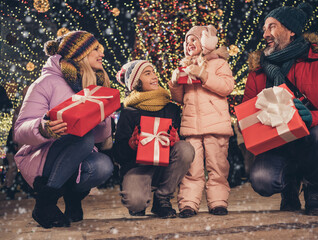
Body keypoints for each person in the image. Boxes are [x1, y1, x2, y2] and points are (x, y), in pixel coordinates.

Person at [243, 2, 318, 216]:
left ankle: (314, 190)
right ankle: (289, 186)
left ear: (291, 30)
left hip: (310, 140)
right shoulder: (257, 73)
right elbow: (248, 116)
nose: (265, 33)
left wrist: (313, 117)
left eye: (272, 26)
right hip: (277, 145)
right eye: (265, 28)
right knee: (262, 180)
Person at [14, 31, 114, 228]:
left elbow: (99, 137)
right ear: (81, 54)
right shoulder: (46, 83)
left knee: (103, 166)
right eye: (95, 49)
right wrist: (43, 128)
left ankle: (72, 197)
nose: (101, 53)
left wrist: (103, 118)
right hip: (43, 157)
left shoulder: (95, 84)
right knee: (82, 136)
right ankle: (45, 203)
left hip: (77, 153)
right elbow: (19, 130)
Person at [113, 60, 194, 218]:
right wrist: (131, 145)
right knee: (136, 205)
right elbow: (118, 155)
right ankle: (140, 195)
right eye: (147, 73)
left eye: (154, 72)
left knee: (185, 148)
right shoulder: (129, 112)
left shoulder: (171, 109)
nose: (155, 77)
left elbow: (179, 151)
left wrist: (176, 139)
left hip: (164, 167)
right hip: (138, 167)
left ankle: (162, 198)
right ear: (136, 82)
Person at [169, 25, 235, 218]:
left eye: (194, 40)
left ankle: (218, 202)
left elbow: (226, 87)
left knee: (218, 166)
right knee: (192, 169)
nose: (189, 44)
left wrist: (204, 74)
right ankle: (188, 204)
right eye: (186, 41)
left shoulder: (219, 64)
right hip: (192, 127)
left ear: (205, 43)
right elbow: (180, 99)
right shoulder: (185, 66)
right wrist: (174, 83)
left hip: (216, 125)